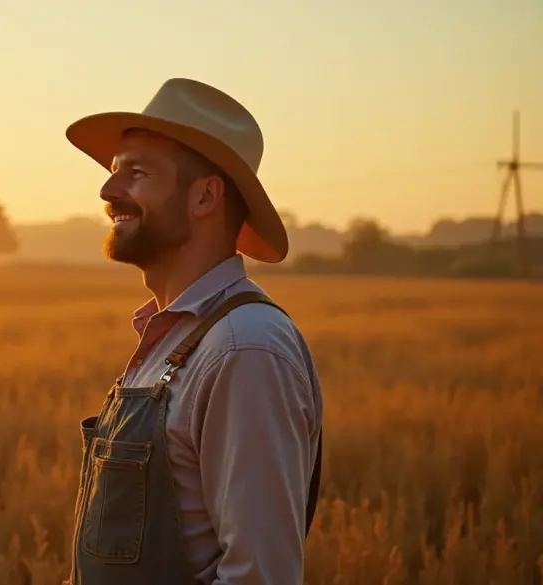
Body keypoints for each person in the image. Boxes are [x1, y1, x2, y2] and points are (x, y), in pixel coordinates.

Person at [62, 78, 323, 584]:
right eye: (114, 171)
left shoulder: (244, 347)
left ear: (205, 196)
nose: (108, 192)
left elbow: (259, 577)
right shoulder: (177, 338)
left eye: (137, 172)